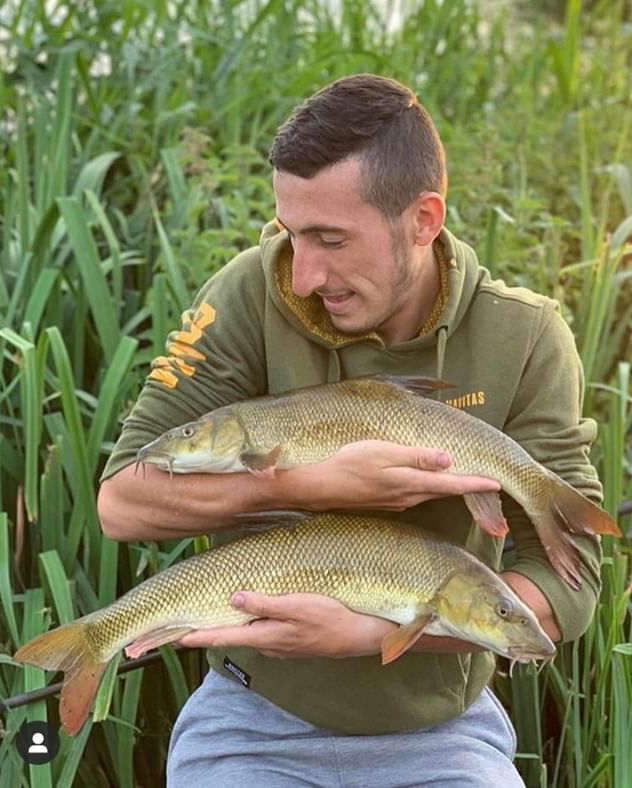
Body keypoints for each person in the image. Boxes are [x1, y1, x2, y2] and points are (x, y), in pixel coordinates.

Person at [97, 74, 603, 787]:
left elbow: (568, 590)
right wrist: (308, 484)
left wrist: (368, 636)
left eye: (331, 240)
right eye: (291, 234)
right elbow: (120, 503)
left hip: (443, 731)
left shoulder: (524, 335)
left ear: (423, 220)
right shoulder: (249, 291)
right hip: (253, 717)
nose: (304, 276)